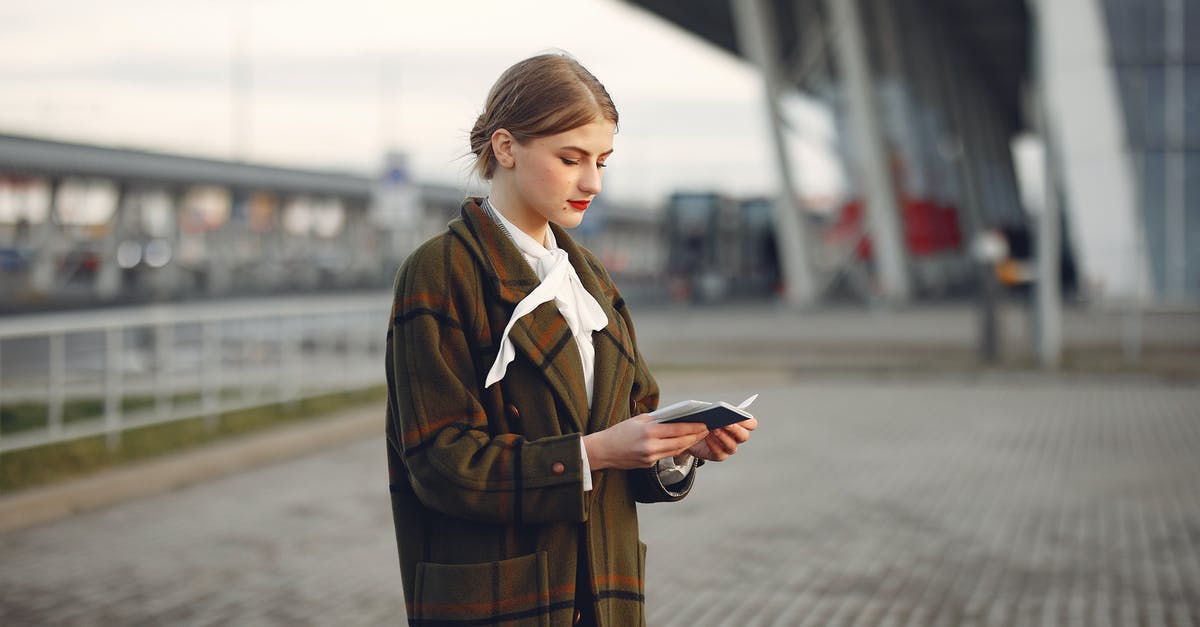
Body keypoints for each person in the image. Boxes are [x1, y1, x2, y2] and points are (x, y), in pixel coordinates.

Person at [385, 52, 757, 626]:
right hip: (500, 598)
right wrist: (599, 451)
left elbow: (632, 424)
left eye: (602, 161)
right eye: (571, 158)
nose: (593, 182)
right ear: (505, 148)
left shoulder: (589, 278)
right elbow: (439, 464)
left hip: (601, 596)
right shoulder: (441, 270)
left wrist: (680, 447)